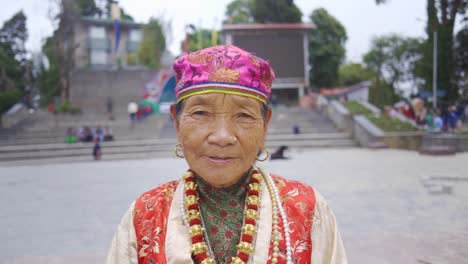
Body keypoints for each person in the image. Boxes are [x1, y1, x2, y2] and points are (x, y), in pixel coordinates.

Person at [107, 45, 347, 264]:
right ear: (177, 123)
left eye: (244, 116)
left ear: (265, 125)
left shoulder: (308, 209)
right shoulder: (143, 217)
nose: (222, 136)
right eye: (201, 113)